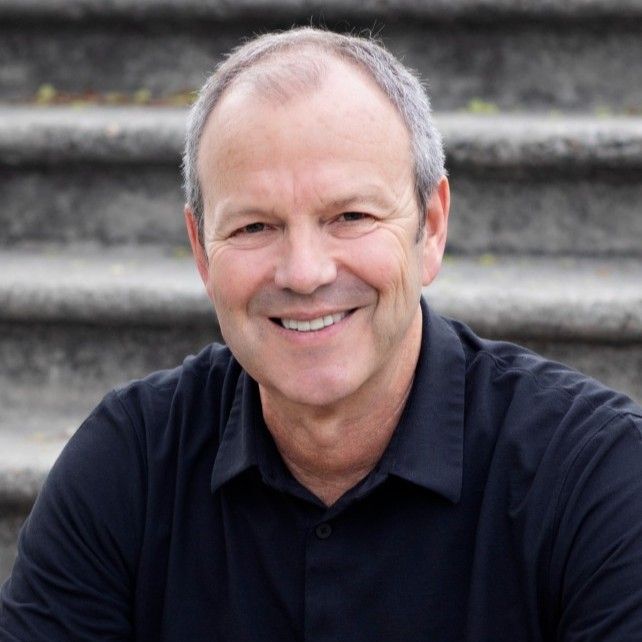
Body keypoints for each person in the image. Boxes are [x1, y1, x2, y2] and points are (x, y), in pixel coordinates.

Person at [1, 27, 642, 641]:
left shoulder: (595, 479)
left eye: (350, 216)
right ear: (201, 250)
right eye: (254, 227)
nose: (305, 273)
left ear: (432, 226)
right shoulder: (129, 466)